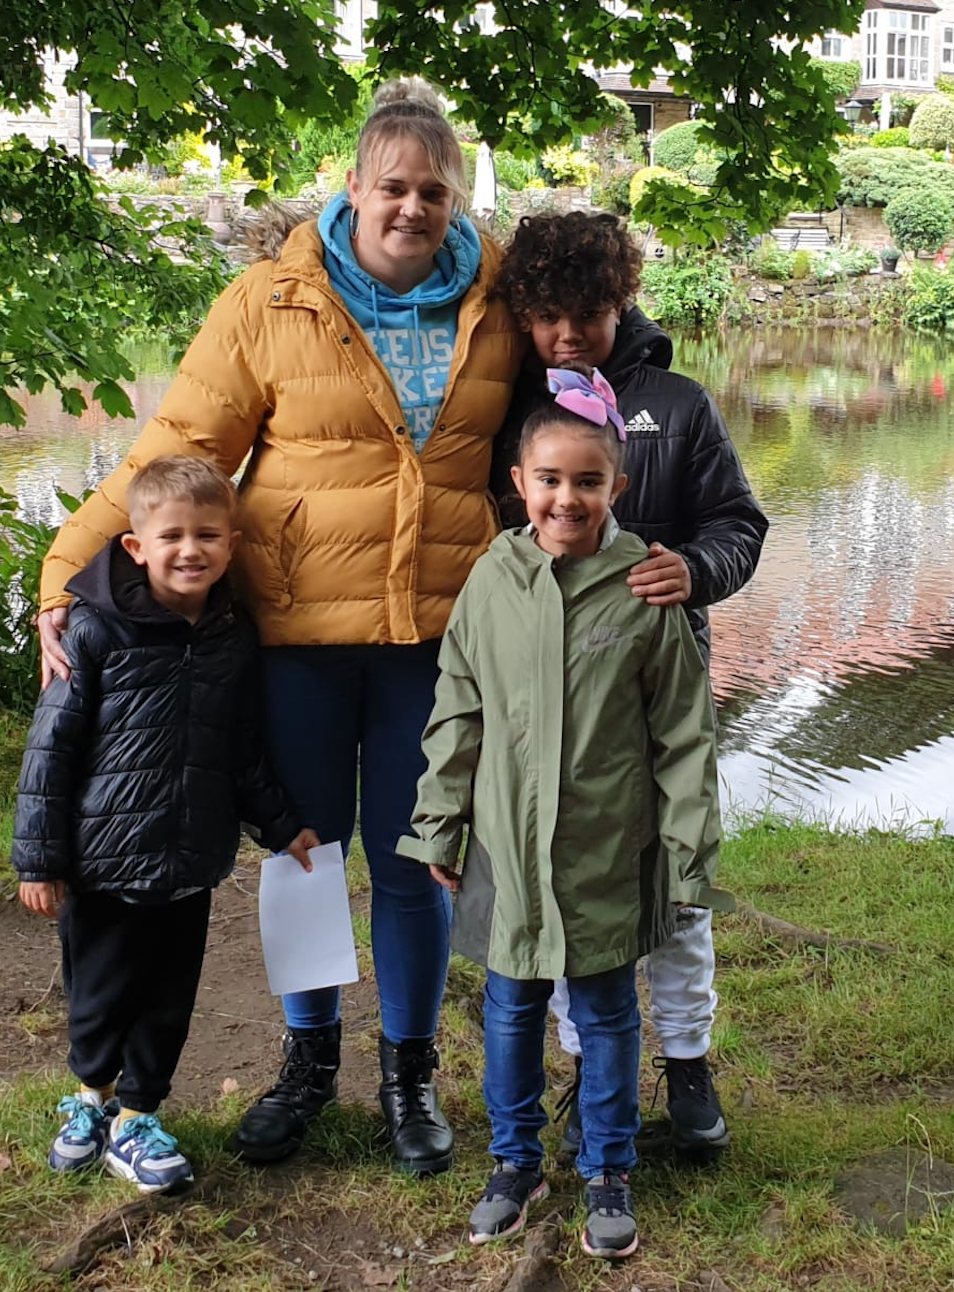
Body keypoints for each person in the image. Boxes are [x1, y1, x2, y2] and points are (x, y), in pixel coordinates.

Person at [36, 77, 524, 1176]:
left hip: (435, 635)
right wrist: (69, 566)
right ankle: (307, 1062)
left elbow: (582, 386)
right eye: (389, 186)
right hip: (295, 629)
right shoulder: (270, 299)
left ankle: (407, 1073)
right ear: (350, 188)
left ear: (455, 199)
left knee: (416, 858)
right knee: (304, 853)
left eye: (431, 191)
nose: (409, 207)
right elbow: (177, 445)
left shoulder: (498, 301)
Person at [398, 369, 730, 1259]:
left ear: (616, 487)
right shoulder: (490, 581)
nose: (567, 498)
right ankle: (515, 1161)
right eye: (550, 480)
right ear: (520, 481)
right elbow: (457, 707)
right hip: (506, 846)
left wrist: (688, 848)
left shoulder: (647, 587)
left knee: (609, 1008)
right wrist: (439, 820)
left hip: (606, 847)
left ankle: (608, 1166)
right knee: (511, 1004)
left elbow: (684, 734)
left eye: (588, 481)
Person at [491, 211, 768, 1154]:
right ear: (525, 316)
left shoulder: (680, 402)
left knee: (676, 880)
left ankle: (688, 1064)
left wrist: (693, 568)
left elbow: (739, 522)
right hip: (551, 701)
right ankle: (586, 1069)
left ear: (622, 302)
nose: (569, 335)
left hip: (659, 686)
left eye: (589, 314)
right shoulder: (510, 415)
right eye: (549, 317)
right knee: (571, 883)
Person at [13, 457, 317, 1192]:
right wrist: (37, 859)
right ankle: (90, 1097)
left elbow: (241, 749)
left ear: (232, 545)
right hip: (102, 861)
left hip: (191, 860)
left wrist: (283, 827)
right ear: (135, 546)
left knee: (168, 995)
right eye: (173, 535)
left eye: (208, 535)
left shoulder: (230, 636)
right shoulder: (92, 632)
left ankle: (138, 1116)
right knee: (100, 989)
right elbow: (51, 749)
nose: (191, 550)